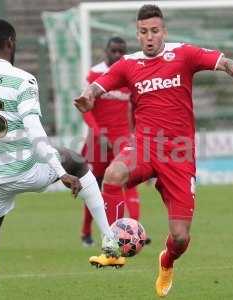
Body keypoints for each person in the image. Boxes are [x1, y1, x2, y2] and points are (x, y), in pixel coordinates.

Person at [74, 4, 233, 297]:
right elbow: (99, 86)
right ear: (137, 34)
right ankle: (115, 243)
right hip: (145, 146)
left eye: (154, 31)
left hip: (179, 154)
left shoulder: (183, 54)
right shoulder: (128, 63)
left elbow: (222, 61)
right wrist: (87, 96)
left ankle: (167, 260)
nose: (149, 37)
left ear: (164, 31)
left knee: (180, 237)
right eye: (143, 32)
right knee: (112, 174)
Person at [0, 19, 119, 300]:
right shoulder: (23, 79)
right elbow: (34, 130)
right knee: (75, 160)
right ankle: (109, 240)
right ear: (10, 43)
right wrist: (59, 171)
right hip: (27, 170)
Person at [80, 37, 142, 247]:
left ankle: (132, 229)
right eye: (113, 51)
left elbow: (135, 109)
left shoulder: (129, 74)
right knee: (94, 187)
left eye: (121, 51)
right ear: (105, 51)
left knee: (129, 180)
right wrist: (98, 134)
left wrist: (135, 134)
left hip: (122, 140)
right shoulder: (95, 74)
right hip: (98, 141)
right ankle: (86, 231)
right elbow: (86, 110)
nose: (117, 55)